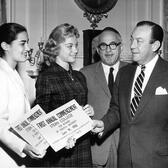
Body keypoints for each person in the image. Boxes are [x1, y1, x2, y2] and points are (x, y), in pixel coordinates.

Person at [92, 20, 168, 168]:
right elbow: (116, 109)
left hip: (157, 160)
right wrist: (103, 123)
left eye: (139, 41)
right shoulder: (124, 73)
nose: (132, 46)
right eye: (132, 39)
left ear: (155, 46)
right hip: (125, 158)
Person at [34, 23, 94, 167]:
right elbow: (41, 121)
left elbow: (80, 107)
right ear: (55, 48)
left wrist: (88, 111)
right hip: (60, 152)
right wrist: (60, 139)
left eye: (76, 45)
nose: (75, 50)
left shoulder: (80, 76)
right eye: (69, 46)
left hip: (83, 145)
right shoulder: (46, 77)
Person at [0, 22, 46, 168]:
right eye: (22, 43)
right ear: (5, 46)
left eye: (27, 43)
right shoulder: (1, 75)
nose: (27, 48)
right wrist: (23, 146)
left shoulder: (13, 73)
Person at [80, 27, 127, 168]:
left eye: (113, 44)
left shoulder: (133, 72)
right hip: (97, 149)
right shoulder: (84, 74)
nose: (108, 50)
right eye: (103, 46)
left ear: (121, 47)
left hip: (127, 147)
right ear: (97, 50)